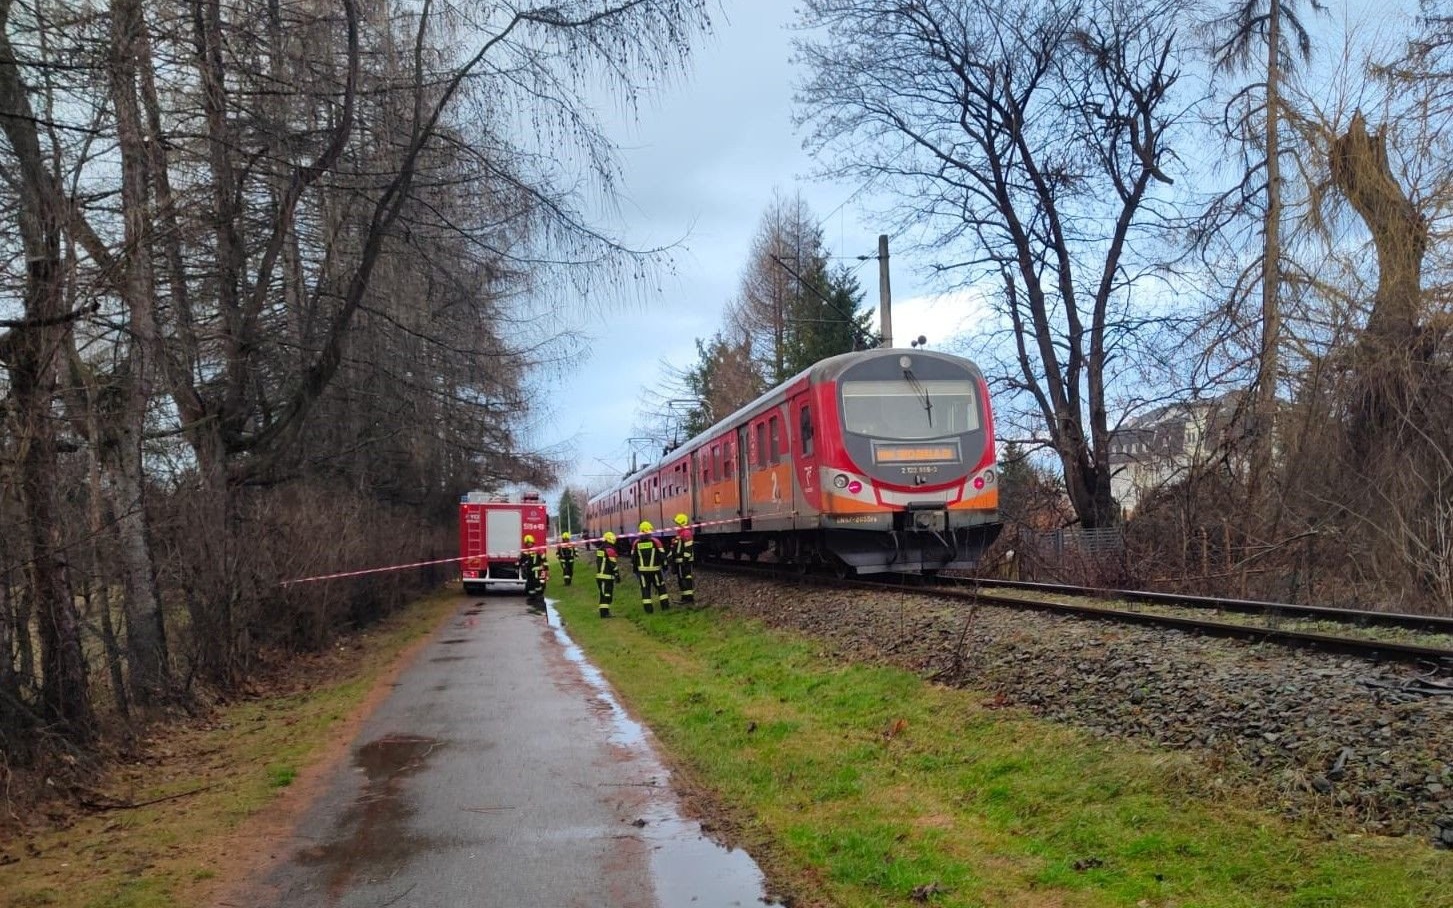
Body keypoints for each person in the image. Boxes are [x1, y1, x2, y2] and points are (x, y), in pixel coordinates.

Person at [631, 520, 670, 613]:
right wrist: (665, 567)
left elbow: (633, 558)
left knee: (645, 590)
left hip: (643, 572)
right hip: (655, 570)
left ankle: (648, 610)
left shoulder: (636, 543)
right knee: (661, 588)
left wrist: (635, 570)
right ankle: (665, 607)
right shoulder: (656, 541)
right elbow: (662, 556)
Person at [668, 512, 696, 606]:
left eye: (677, 524)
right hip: (680, 562)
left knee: (686, 579)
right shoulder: (680, 534)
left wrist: (685, 559)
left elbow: (688, 548)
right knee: (681, 579)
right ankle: (684, 597)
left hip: (684, 562)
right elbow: (676, 548)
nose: (676, 526)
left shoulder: (686, 533)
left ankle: (689, 598)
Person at [595, 531, 621, 618]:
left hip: (600, 576)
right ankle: (604, 613)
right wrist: (617, 575)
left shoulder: (600, 549)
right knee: (607, 595)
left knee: (603, 595)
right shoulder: (609, 550)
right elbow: (613, 564)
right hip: (607, 577)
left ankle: (604, 612)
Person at [519, 534, 546, 609]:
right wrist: (519, 565)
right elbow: (521, 560)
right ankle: (532, 598)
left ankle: (540, 597)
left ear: (532, 542)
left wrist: (546, 567)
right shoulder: (525, 551)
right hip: (529, 571)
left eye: (529, 542)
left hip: (536, 570)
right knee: (530, 584)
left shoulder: (537, 550)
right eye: (527, 543)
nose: (528, 544)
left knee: (536, 583)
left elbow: (543, 558)